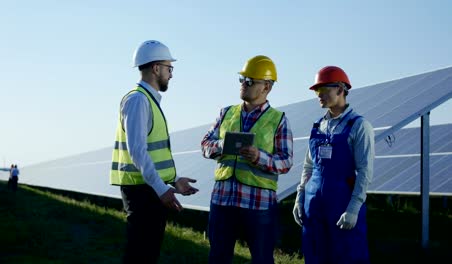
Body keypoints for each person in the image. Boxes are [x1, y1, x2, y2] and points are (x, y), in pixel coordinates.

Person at [110, 40, 199, 264]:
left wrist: (175, 180)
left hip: (149, 190)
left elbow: (152, 152)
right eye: (169, 68)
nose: (171, 74)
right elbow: (138, 151)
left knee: (147, 254)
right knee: (140, 256)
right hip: (143, 193)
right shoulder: (138, 100)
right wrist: (161, 189)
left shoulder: (147, 100)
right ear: (156, 68)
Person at [201, 55, 294, 264]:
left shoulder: (278, 120)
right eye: (242, 79)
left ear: (266, 87)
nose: (244, 84)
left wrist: (259, 157)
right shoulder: (226, 113)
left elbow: (286, 161)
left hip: (258, 205)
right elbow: (205, 144)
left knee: (261, 260)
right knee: (217, 258)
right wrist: (220, 146)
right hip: (222, 201)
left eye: (250, 81)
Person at [292, 66, 375, 264]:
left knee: (346, 255)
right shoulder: (317, 126)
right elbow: (308, 167)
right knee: (314, 254)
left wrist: (354, 208)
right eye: (316, 91)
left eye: (323, 89)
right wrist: (300, 196)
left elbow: (365, 171)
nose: (319, 95)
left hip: (342, 203)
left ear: (339, 88)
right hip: (313, 205)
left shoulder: (359, 125)